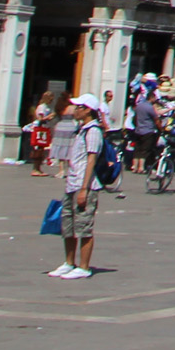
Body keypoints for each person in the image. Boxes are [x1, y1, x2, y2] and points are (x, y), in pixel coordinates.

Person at [51, 94, 103, 280]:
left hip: (85, 185)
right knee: (68, 226)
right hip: (72, 184)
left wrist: (84, 189)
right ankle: (69, 262)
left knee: (84, 227)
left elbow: (91, 159)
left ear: (88, 109)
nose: (75, 110)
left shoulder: (93, 131)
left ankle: (84, 266)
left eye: (79, 107)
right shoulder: (80, 129)